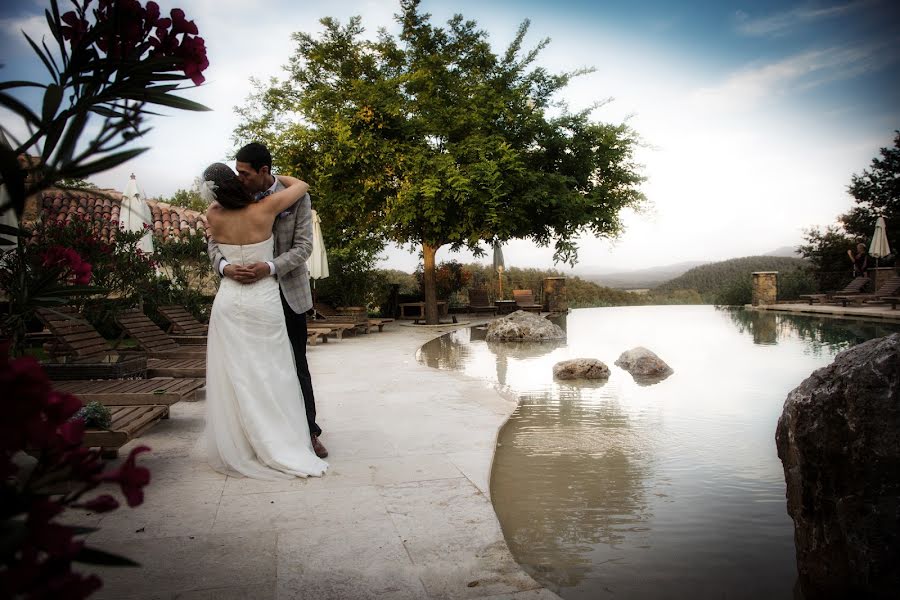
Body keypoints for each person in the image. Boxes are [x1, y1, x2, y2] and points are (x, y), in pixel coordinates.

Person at [202, 162, 327, 479]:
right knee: (276, 371)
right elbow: (302, 184)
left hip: (229, 300)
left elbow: (213, 245)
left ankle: (244, 442)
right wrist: (278, 174)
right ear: (235, 182)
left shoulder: (212, 215)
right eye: (238, 175)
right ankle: (284, 438)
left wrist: (228, 269)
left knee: (237, 374)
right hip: (263, 298)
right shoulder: (266, 207)